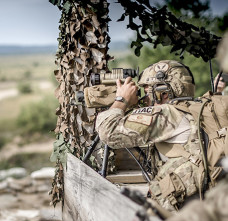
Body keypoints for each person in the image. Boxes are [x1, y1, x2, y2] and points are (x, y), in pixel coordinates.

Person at [96, 60, 226, 212]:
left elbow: (107, 130)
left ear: (163, 93)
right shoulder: (198, 108)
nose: (144, 97)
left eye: (147, 91)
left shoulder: (167, 114)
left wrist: (121, 99)